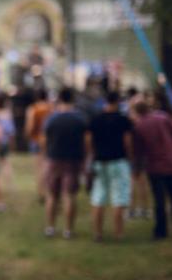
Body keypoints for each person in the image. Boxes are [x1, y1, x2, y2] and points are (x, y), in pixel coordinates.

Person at [43, 88, 88, 239]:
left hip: (54, 159)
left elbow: (44, 140)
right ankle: (68, 230)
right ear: (72, 99)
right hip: (73, 160)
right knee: (69, 195)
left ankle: (50, 228)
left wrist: (46, 155)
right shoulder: (80, 119)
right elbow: (86, 141)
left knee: (52, 195)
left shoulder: (52, 118)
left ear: (60, 99)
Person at [87, 91, 133, 241]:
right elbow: (127, 142)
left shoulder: (95, 119)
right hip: (118, 161)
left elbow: (88, 141)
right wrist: (130, 158)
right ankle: (118, 233)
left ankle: (98, 233)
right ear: (118, 101)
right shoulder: (123, 120)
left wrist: (93, 154)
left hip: (100, 161)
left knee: (98, 197)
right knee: (119, 197)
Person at [132, 101, 172, 240]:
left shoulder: (140, 126)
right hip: (171, 162)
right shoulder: (163, 117)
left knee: (159, 199)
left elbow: (138, 151)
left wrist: (136, 169)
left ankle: (161, 231)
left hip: (155, 166)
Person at [25, 88, 52, 203]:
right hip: (49, 141)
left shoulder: (33, 109)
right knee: (48, 167)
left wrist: (28, 135)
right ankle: (49, 191)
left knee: (39, 168)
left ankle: (41, 192)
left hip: (36, 140)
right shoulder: (51, 109)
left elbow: (30, 126)